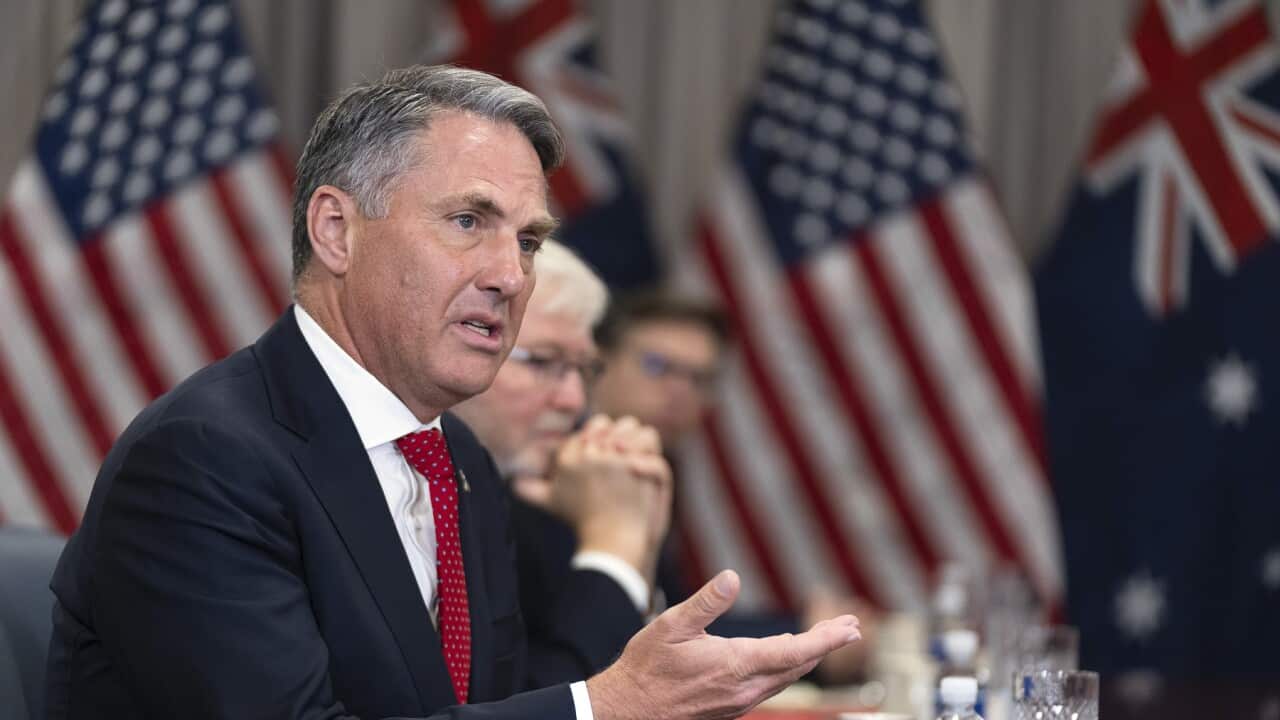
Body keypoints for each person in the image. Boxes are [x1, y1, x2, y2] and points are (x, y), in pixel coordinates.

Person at [44, 65, 860, 719]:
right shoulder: (204, 459)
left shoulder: (451, 455)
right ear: (336, 230)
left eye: (529, 240)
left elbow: (492, 707)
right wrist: (610, 706)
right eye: (470, 221)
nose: (511, 276)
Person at [592, 291, 877, 683]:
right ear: (601, 363)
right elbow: (622, 640)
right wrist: (799, 635)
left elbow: (661, 616)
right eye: (658, 366)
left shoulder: (658, 468)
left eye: (699, 378)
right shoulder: (572, 464)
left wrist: (802, 632)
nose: (680, 392)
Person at [453, 240, 670, 686]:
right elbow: (531, 703)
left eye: (583, 370)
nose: (573, 401)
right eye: (544, 363)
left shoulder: (551, 495)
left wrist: (638, 558)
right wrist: (615, 549)